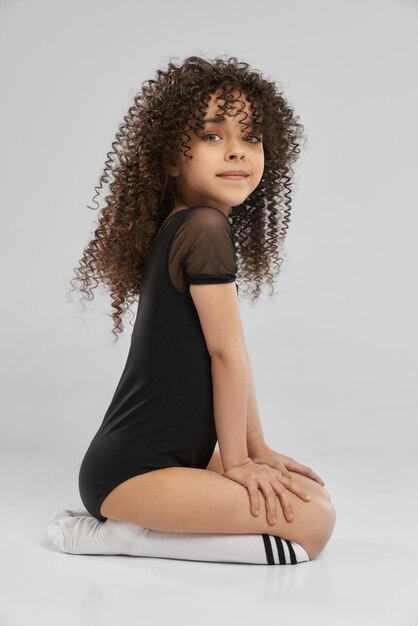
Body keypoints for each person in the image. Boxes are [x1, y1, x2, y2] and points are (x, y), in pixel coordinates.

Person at [47, 55, 336, 565]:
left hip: (164, 463)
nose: (237, 152)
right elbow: (226, 356)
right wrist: (241, 462)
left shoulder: (195, 227)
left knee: (310, 498)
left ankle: (133, 531)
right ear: (171, 158)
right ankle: (122, 536)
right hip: (130, 476)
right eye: (212, 136)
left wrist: (259, 449)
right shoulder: (203, 228)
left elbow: (231, 354)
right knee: (311, 526)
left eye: (251, 137)